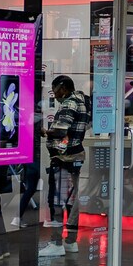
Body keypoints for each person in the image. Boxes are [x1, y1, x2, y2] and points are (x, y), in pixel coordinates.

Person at [39, 75, 92, 256]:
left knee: (56, 200)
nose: (54, 95)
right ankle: (71, 241)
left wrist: (45, 131)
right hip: (75, 156)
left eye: (55, 90)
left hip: (64, 158)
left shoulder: (69, 104)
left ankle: (56, 243)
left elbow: (61, 130)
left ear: (63, 88)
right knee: (71, 200)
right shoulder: (83, 102)